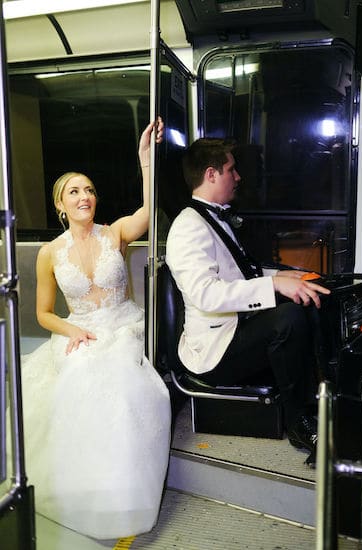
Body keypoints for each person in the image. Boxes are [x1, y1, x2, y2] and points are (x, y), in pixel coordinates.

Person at [18, 118, 171, 539]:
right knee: (77, 378)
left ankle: (124, 491)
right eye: (74, 191)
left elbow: (148, 209)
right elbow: (45, 314)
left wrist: (145, 160)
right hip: (79, 330)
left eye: (89, 189)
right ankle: (83, 488)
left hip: (122, 327)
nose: (84, 196)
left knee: (121, 385)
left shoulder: (116, 233)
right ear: (60, 206)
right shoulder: (49, 253)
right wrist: (73, 332)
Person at [165, 137, 331, 467]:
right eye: (231, 169)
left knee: (310, 297)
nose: (238, 176)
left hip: (236, 325)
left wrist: (290, 278)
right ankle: (301, 424)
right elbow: (206, 295)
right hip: (214, 349)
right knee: (288, 320)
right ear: (211, 175)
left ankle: (323, 402)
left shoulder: (214, 218)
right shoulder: (187, 227)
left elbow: (243, 273)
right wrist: (273, 285)